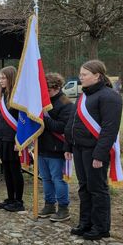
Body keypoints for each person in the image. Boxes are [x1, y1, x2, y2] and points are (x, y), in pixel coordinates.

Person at [65, 60, 122, 240]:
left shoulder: (109, 96)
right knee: (84, 187)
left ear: (97, 76)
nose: (80, 78)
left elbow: (109, 129)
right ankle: (85, 223)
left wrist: (99, 154)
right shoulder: (83, 96)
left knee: (97, 189)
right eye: (80, 74)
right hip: (79, 148)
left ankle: (100, 227)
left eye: (84, 75)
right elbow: (72, 122)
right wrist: (68, 145)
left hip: (95, 150)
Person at [38, 73, 74, 221]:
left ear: (57, 87)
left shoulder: (66, 104)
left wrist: (44, 118)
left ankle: (63, 208)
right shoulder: (41, 102)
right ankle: (49, 204)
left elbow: (62, 127)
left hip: (57, 148)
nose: (46, 93)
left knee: (58, 179)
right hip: (42, 146)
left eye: (48, 90)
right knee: (45, 178)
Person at [0, 66, 25, 211]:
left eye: (4, 77)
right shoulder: (2, 95)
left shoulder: (18, 97)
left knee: (15, 170)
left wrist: (20, 140)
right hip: (2, 139)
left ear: (11, 78)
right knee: (6, 170)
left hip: (13, 140)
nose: (0, 80)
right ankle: (10, 197)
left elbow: (23, 121)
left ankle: (19, 200)